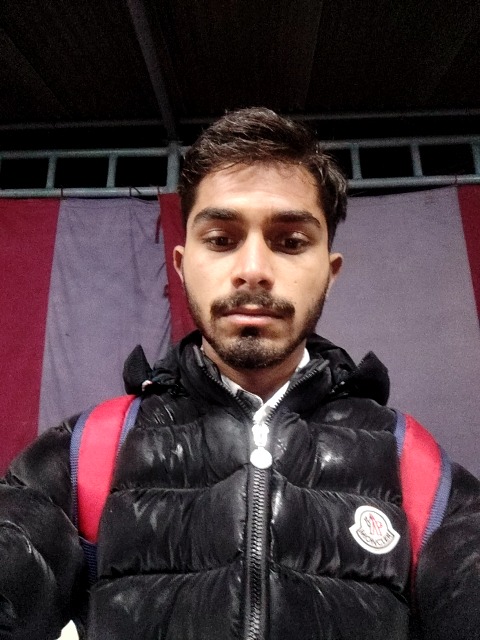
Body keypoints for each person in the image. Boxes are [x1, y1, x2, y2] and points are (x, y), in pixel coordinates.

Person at [1, 107, 480, 640]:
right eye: (221, 239)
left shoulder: (414, 464)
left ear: (330, 272)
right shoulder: (84, 453)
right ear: (182, 264)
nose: (253, 269)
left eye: (291, 242)